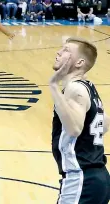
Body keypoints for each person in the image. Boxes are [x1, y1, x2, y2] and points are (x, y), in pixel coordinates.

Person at [49, 37, 110, 204]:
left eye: (67, 50)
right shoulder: (88, 87)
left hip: (81, 177)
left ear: (79, 62)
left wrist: (54, 85)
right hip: (97, 177)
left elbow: (74, 129)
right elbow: (104, 123)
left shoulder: (75, 88)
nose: (59, 53)